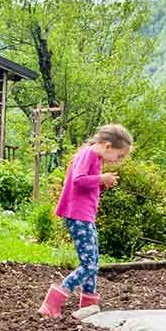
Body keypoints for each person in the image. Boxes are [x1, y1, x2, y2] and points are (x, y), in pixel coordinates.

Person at [38, 124, 133, 318]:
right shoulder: (88, 154)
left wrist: (102, 183)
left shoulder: (95, 158)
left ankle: (89, 302)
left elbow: (85, 185)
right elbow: (79, 180)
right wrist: (101, 178)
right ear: (108, 146)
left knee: (93, 261)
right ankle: (52, 303)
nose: (118, 160)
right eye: (119, 155)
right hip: (78, 216)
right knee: (89, 264)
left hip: (85, 216)